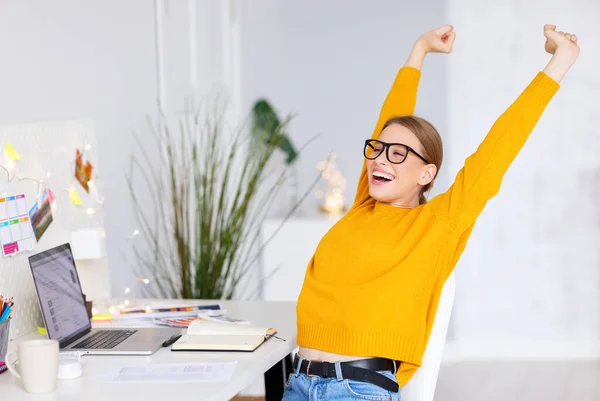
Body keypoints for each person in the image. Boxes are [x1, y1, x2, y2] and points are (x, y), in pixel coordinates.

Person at [282, 23, 580, 401]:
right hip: (298, 382)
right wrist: (419, 50)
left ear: (426, 174)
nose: (380, 158)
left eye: (398, 154)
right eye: (376, 149)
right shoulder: (363, 205)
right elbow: (391, 117)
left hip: (356, 390)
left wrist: (559, 63)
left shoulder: (437, 224)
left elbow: (497, 150)